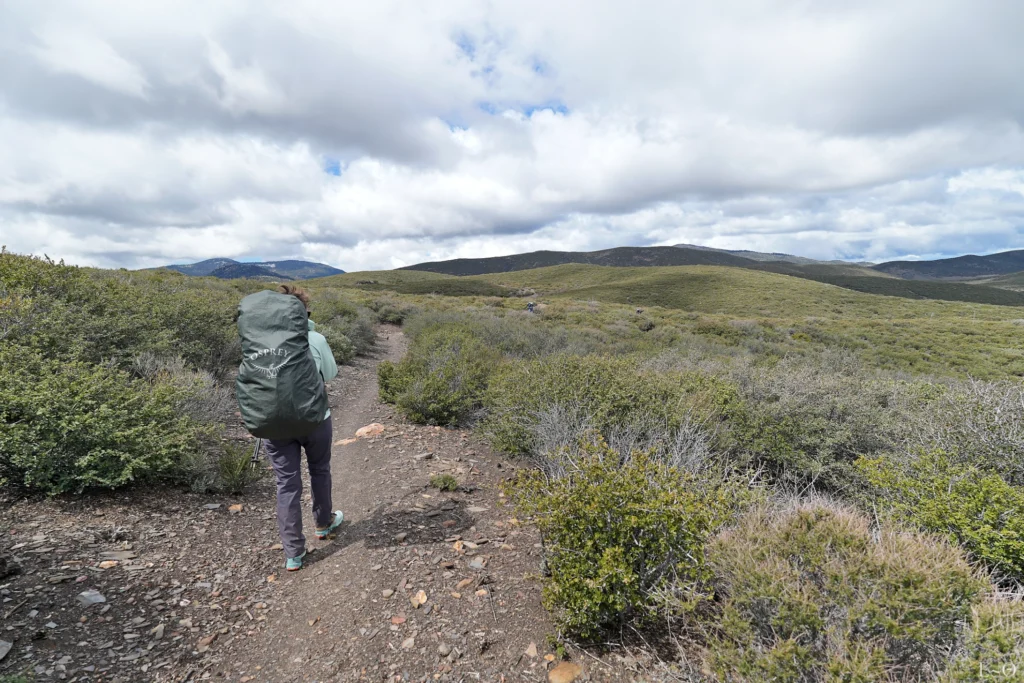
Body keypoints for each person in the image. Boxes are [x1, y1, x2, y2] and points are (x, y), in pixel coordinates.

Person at [264, 284, 343, 571]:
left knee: (287, 484)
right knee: (319, 470)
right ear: (303, 312)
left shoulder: (259, 342)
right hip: (315, 418)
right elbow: (331, 374)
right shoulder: (316, 338)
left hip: (275, 423)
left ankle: (293, 554)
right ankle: (323, 523)